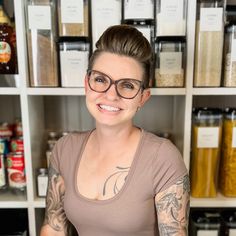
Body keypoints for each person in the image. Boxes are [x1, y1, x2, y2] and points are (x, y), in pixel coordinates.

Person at [40, 24, 190, 236]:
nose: (111, 95)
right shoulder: (65, 149)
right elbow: (53, 227)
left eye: (127, 85)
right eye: (100, 80)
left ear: (143, 97)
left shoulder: (163, 158)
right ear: (86, 84)